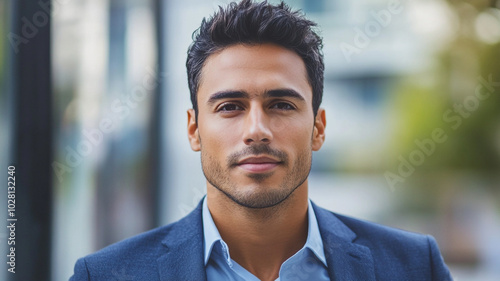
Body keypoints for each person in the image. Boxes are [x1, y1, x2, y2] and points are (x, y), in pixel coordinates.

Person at [70, 1, 453, 280]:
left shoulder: (415, 266)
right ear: (194, 130)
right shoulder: (104, 275)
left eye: (282, 104)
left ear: (318, 128)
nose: (257, 130)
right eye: (230, 106)